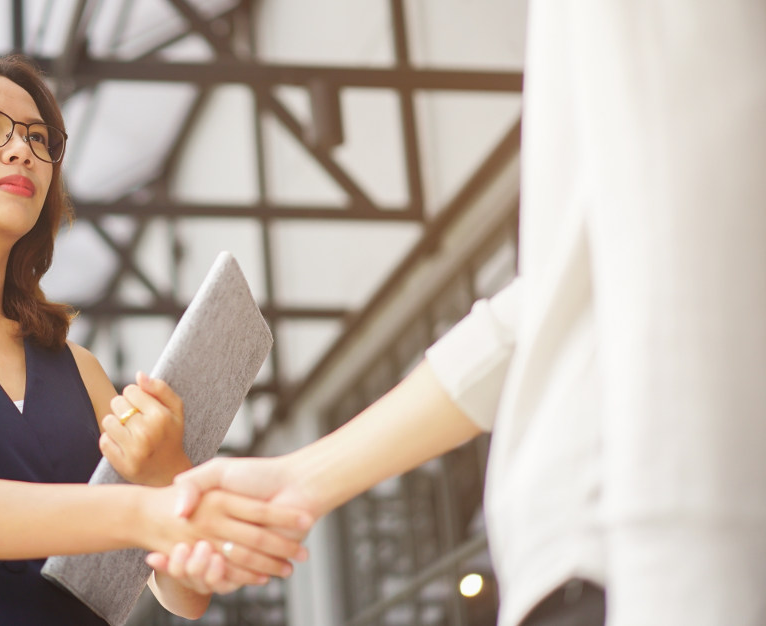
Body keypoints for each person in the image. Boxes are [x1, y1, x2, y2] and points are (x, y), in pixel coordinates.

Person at [128, 2, 766, 624]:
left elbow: (688, 215)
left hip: (633, 558)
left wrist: (687, 574)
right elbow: (551, 306)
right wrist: (301, 479)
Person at [0, 55, 311, 625]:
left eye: (41, 140)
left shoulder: (79, 368)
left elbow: (184, 596)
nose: (23, 152)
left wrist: (168, 472)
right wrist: (141, 509)